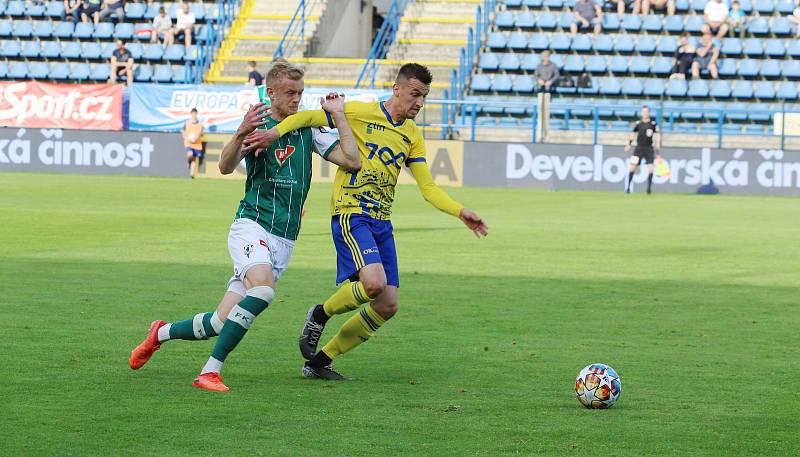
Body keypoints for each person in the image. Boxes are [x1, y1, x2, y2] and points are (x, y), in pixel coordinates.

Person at [242, 63, 489, 381]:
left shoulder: (412, 134)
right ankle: (319, 314)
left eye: (424, 97)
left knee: (387, 305)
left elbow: (427, 187)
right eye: (415, 94)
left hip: (381, 222)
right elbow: (308, 117)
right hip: (351, 212)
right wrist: (274, 133)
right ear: (397, 89)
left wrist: (460, 211)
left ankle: (320, 362)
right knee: (373, 283)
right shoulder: (360, 112)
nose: (419, 103)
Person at [128, 58, 361, 393]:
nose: (296, 99)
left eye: (300, 92)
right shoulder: (257, 121)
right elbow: (224, 166)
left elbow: (352, 161)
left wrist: (338, 116)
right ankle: (209, 372)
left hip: (284, 239)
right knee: (263, 291)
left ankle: (159, 333)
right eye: (289, 92)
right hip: (251, 224)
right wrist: (240, 133)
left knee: (219, 322)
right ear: (271, 92)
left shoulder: (307, 126)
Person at [625, 106, 660, 194]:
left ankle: (648, 189)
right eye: (643, 112)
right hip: (638, 148)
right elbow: (632, 133)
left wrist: (657, 146)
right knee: (632, 167)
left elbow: (657, 135)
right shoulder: (638, 123)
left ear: (648, 112)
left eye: (646, 112)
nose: (645, 113)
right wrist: (629, 143)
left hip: (649, 148)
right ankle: (628, 187)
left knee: (651, 168)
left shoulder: (653, 124)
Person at [182, 108, 204, 179]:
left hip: (197, 144)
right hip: (189, 142)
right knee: (190, 154)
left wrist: (196, 138)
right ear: (191, 114)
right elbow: (183, 132)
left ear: (196, 114)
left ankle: (191, 175)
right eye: (193, 113)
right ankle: (188, 162)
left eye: (195, 113)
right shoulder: (187, 123)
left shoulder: (200, 123)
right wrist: (187, 138)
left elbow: (201, 132)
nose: (194, 115)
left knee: (194, 159)